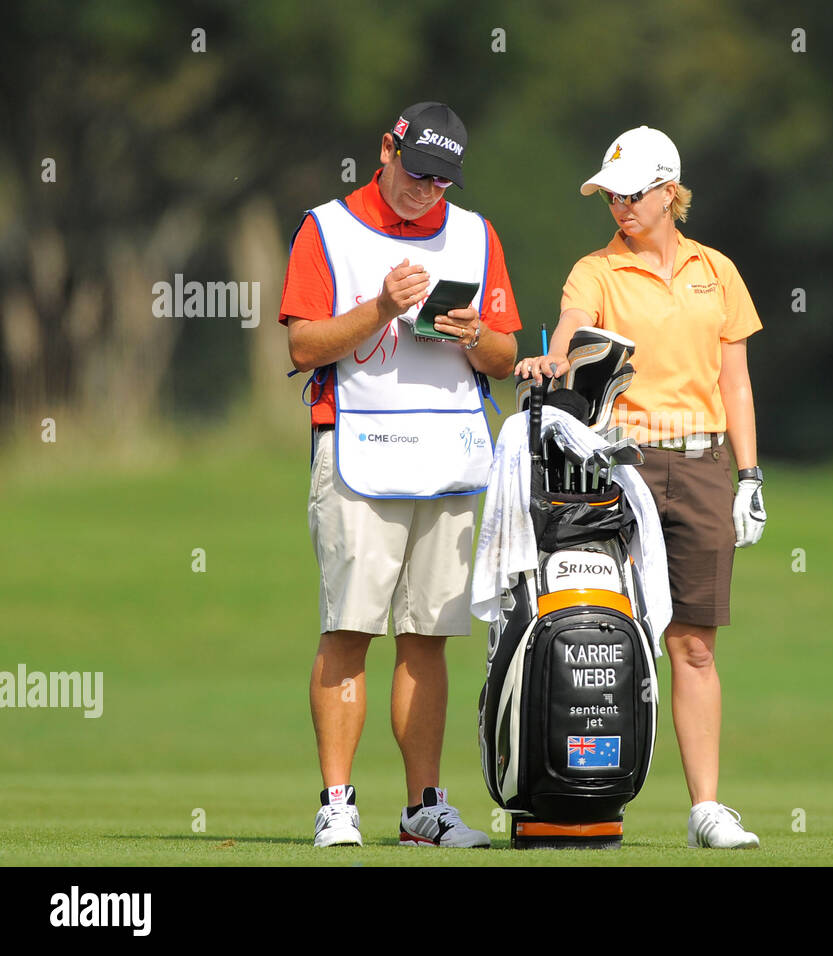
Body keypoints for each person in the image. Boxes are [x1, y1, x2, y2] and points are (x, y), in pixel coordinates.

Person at [516, 126, 767, 849]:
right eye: (611, 196)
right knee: (597, 629)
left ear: (668, 193)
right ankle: (581, 790)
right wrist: (554, 356)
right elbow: (572, 326)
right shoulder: (595, 270)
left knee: (693, 643)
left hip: (700, 464)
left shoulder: (715, 270)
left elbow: (736, 382)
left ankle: (706, 809)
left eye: (631, 194)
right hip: (617, 467)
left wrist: (748, 475)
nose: (619, 206)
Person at [279, 101, 520, 848]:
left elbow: (509, 356)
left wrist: (474, 334)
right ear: (386, 149)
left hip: (447, 460)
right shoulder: (326, 228)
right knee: (349, 630)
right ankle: (338, 803)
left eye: (441, 182)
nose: (427, 193)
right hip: (358, 449)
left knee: (428, 638)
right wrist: (382, 306)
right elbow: (304, 344)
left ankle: (424, 808)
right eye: (417, 175)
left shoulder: (475, 234)